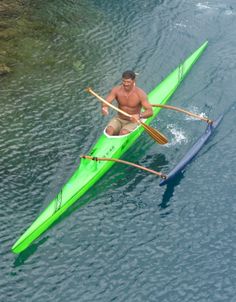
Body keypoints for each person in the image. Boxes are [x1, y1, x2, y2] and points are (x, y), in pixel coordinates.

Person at [102, 70, 153, 136]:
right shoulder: (116, 90)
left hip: (133, 121)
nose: (125, 84)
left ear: (134, 81)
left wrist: (139, 116)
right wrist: (105, 107)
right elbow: (106, 102)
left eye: (128, 82)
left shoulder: (140, 94)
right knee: (109, 130)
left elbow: (150, 112)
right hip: (119, 119)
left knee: (123, 132)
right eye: (124, 81)